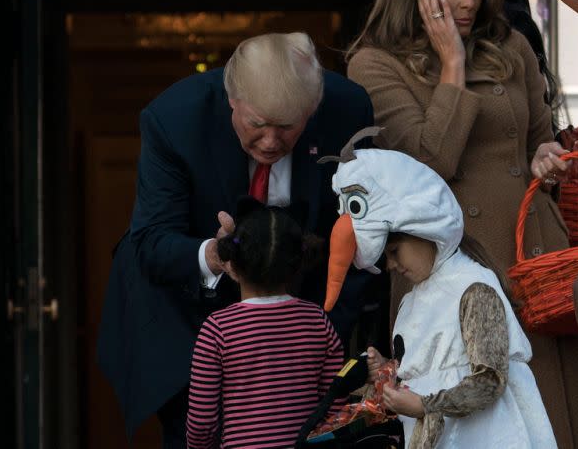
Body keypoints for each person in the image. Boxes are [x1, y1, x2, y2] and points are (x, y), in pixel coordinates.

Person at [346, 0, 578, 448]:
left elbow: (538, 138)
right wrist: (452, 65)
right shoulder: (374, 64)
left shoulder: (509, 46)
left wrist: (545, 157)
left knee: (557, 415)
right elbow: (425, 164)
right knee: (474, 418)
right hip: (452, 271)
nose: (468, 2)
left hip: (531, 256)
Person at [97, 32, 375, 447]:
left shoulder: (347, 108)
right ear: (232, 100)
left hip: (304, 325)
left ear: (312, 110)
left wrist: (318, 338)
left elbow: (359, 232)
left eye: (286, 127)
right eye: (257, 124)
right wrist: (212, 254)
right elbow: (152, 240)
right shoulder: (174, 120)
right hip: (186, 318)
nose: (270, 142)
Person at [322, 142, 557, 448]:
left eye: (394, 251)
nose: (391, 265)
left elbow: (489, 380)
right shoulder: (413, 300)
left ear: (423, 229)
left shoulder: (472, 286)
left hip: (486, 436)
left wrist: (424, 406)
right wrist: (386, 371)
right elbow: (427, 371)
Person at [185, 198, 344, 449]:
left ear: (231, 265)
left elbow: (201, 423)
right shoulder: (317, 321)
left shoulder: (217, 330)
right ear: (298, 263)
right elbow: (335, 405)